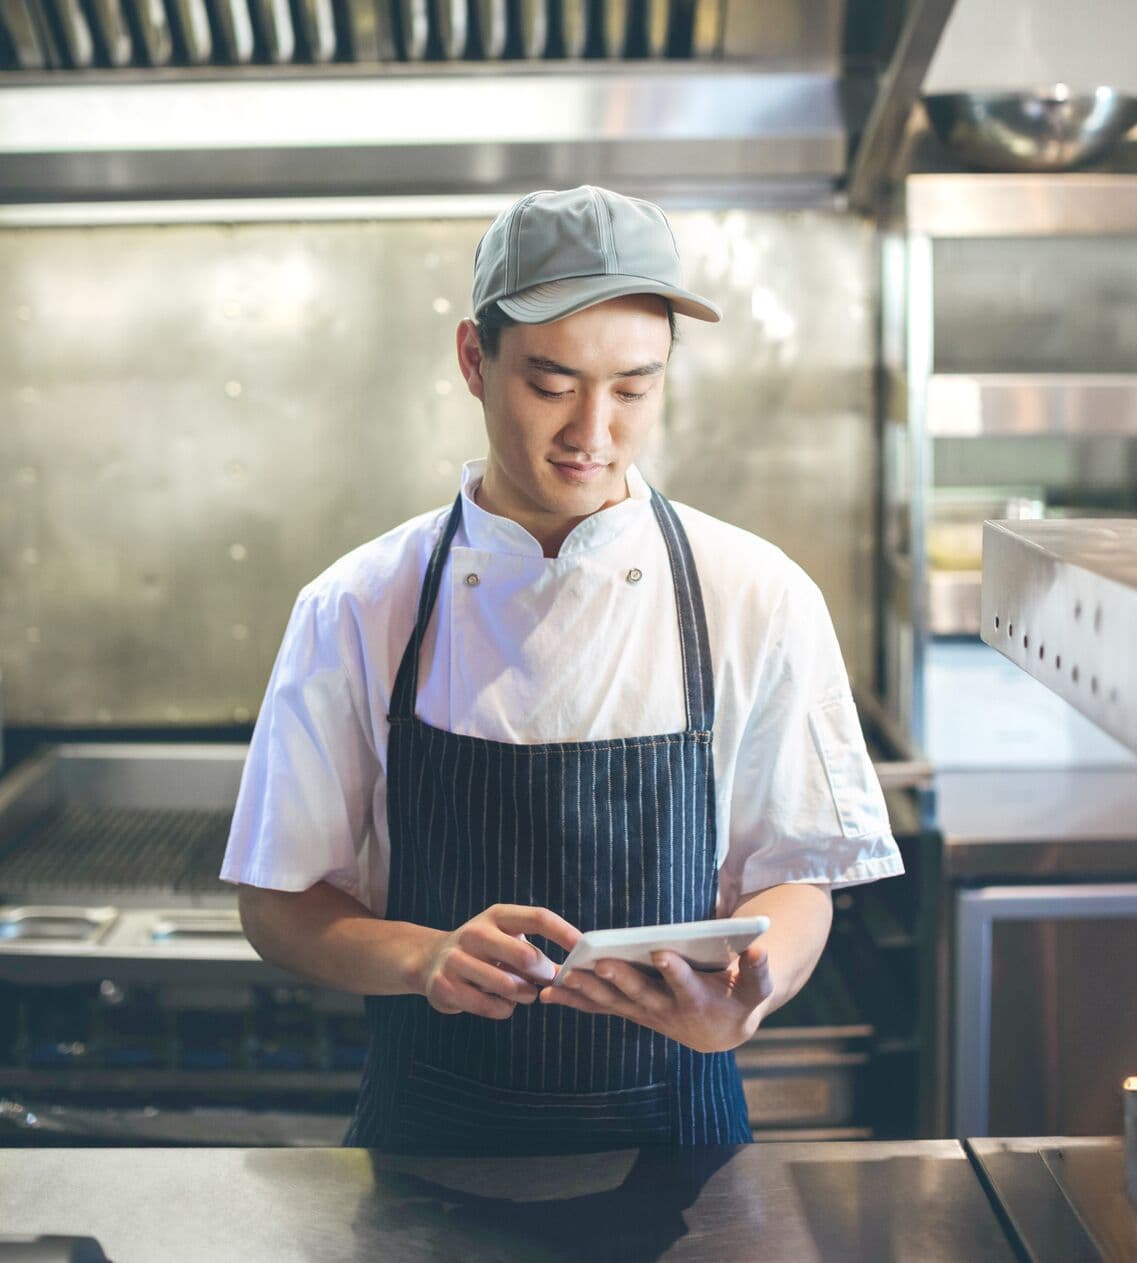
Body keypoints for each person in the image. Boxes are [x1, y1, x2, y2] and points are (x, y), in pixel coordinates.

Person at [222, 185, 904, 1153]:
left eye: (633, 388)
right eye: (551, 384)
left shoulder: (752, 592)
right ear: (474, 359)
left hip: (677, 1136)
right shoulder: (360, 602)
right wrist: (426, 961)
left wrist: (750, 1002)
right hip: (428, 1139)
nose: (592, 431)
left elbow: (796, 878)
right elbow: (281, 902)